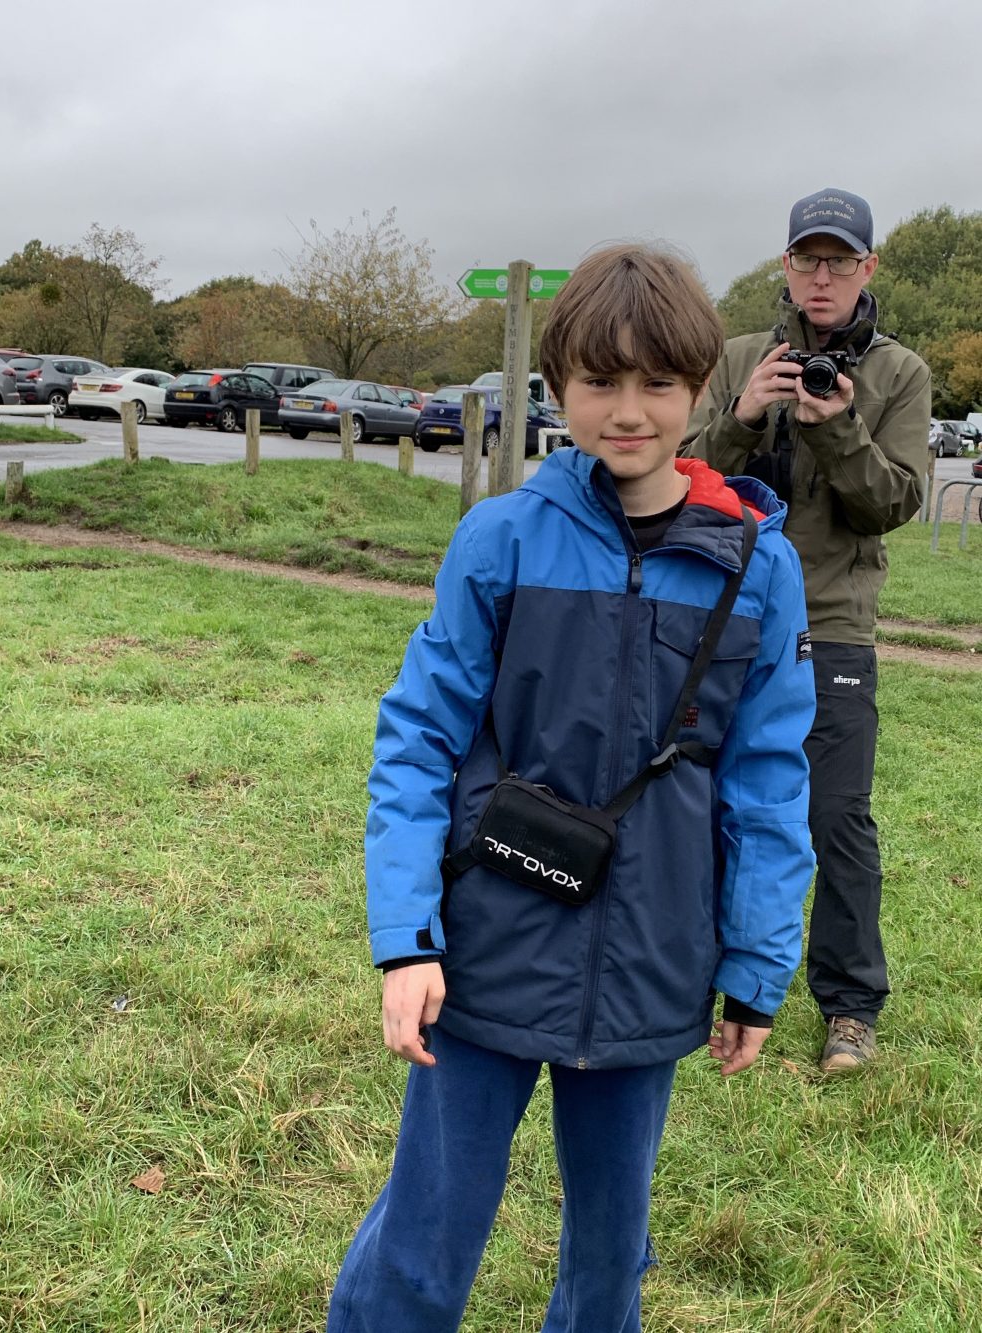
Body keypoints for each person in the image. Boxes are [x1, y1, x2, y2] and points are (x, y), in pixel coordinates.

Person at [326, 244, 816, 1332]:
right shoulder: (500, 539)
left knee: (607, 1265)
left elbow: (770, 782)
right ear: (558, 389)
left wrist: (755, 962)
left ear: (699, 388)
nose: (629, 409)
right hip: (485, 952)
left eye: (657, 383)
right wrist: (405, 938)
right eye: (601, 380)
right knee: (421, 1243)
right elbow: (415, 738)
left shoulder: (758, 568)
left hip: (653, 962)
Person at [682, 189, 931, 1073]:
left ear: (868, 268)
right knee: (704, 802)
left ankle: (849, 1008)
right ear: (785, 265)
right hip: (726, 612)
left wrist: (839, 428)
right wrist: (745, 414)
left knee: (835, 818)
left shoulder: (898, 374)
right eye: (807, 259)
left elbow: (894, 503)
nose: (821, 277)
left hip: (832, 627)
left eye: (840, 260)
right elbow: (680, 478)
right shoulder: (742, 356)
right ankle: (704, 981)